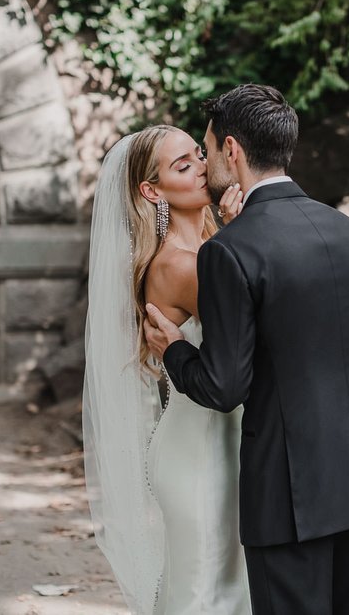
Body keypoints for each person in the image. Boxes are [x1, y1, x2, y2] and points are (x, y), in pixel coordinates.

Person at [144, 84, 349, 615]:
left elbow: (224, 386)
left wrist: (174, 349)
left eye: (209, 149)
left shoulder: (229, 251)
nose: (206, 159)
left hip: (288, 491)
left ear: (233, 151)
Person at [81, 124, 251, 614]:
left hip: (216, 440)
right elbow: (252, 319)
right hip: (202, 452)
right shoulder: (178, 265)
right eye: (183, 165)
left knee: (220, 588)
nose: (202, 165)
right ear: (151, 191)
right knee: (208, 594)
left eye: (199, 154)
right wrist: (244, 232)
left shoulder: (208, 247)